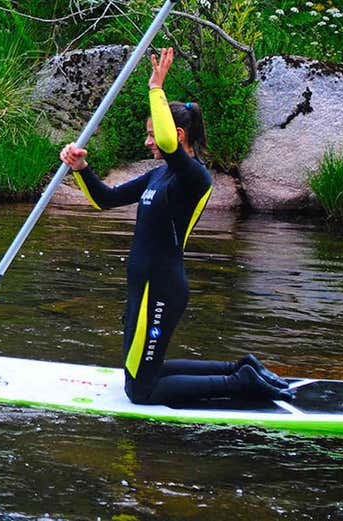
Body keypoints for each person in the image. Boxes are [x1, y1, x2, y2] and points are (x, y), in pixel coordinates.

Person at [59, 48, 293, 405]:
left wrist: (157, 87)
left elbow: (168, 145)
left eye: (152, 134)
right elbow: (105, 200)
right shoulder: (159, 176)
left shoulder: (193, 176)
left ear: (178, 133)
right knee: (139, 375)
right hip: (145, 288)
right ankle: (239, 369)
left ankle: (239, 385)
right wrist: (81, 169)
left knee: (140, 391)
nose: (148, 141)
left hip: (162, 289)